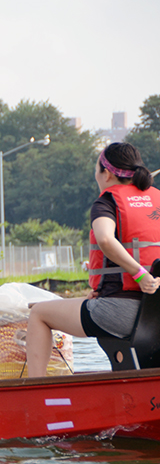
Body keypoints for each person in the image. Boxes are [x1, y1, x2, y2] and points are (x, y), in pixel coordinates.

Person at [27, 142, 160, 377]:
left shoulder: (107, 202)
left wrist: (140, 275)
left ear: (106, 173)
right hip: (155, 313)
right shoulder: (157, 199)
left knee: (38, 313)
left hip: (123, 311)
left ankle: (36, 391)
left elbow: (106, 240)